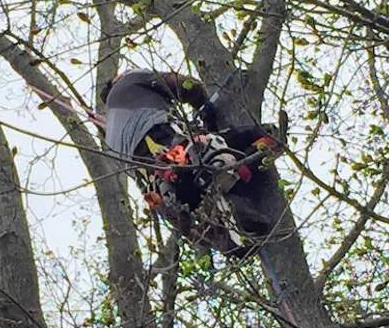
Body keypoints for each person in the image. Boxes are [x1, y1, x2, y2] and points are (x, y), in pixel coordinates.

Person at [100, 68, 280, 254]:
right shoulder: (128, 80)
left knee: (214, 215)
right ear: (118, 78)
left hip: (169, 194)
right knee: (267, 136)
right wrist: (204, 108)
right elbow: (187, 86)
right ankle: (242, 173)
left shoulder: (110, 140)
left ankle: (237, 216)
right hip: (176, 151)